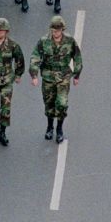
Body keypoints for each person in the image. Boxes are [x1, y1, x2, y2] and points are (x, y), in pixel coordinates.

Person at [29, 15, 83, 143]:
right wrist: (34, 74)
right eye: (54, 30)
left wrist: (77, 74)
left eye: (58, 30)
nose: (56, 33)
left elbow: (77, 57)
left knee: (62, 103)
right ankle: (49, 127)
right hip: (48, 76)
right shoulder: (44, 41)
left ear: (62, 30)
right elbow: (35, 57)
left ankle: (59, 129)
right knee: (49, 103)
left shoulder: (69, 41)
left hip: (63, 76)